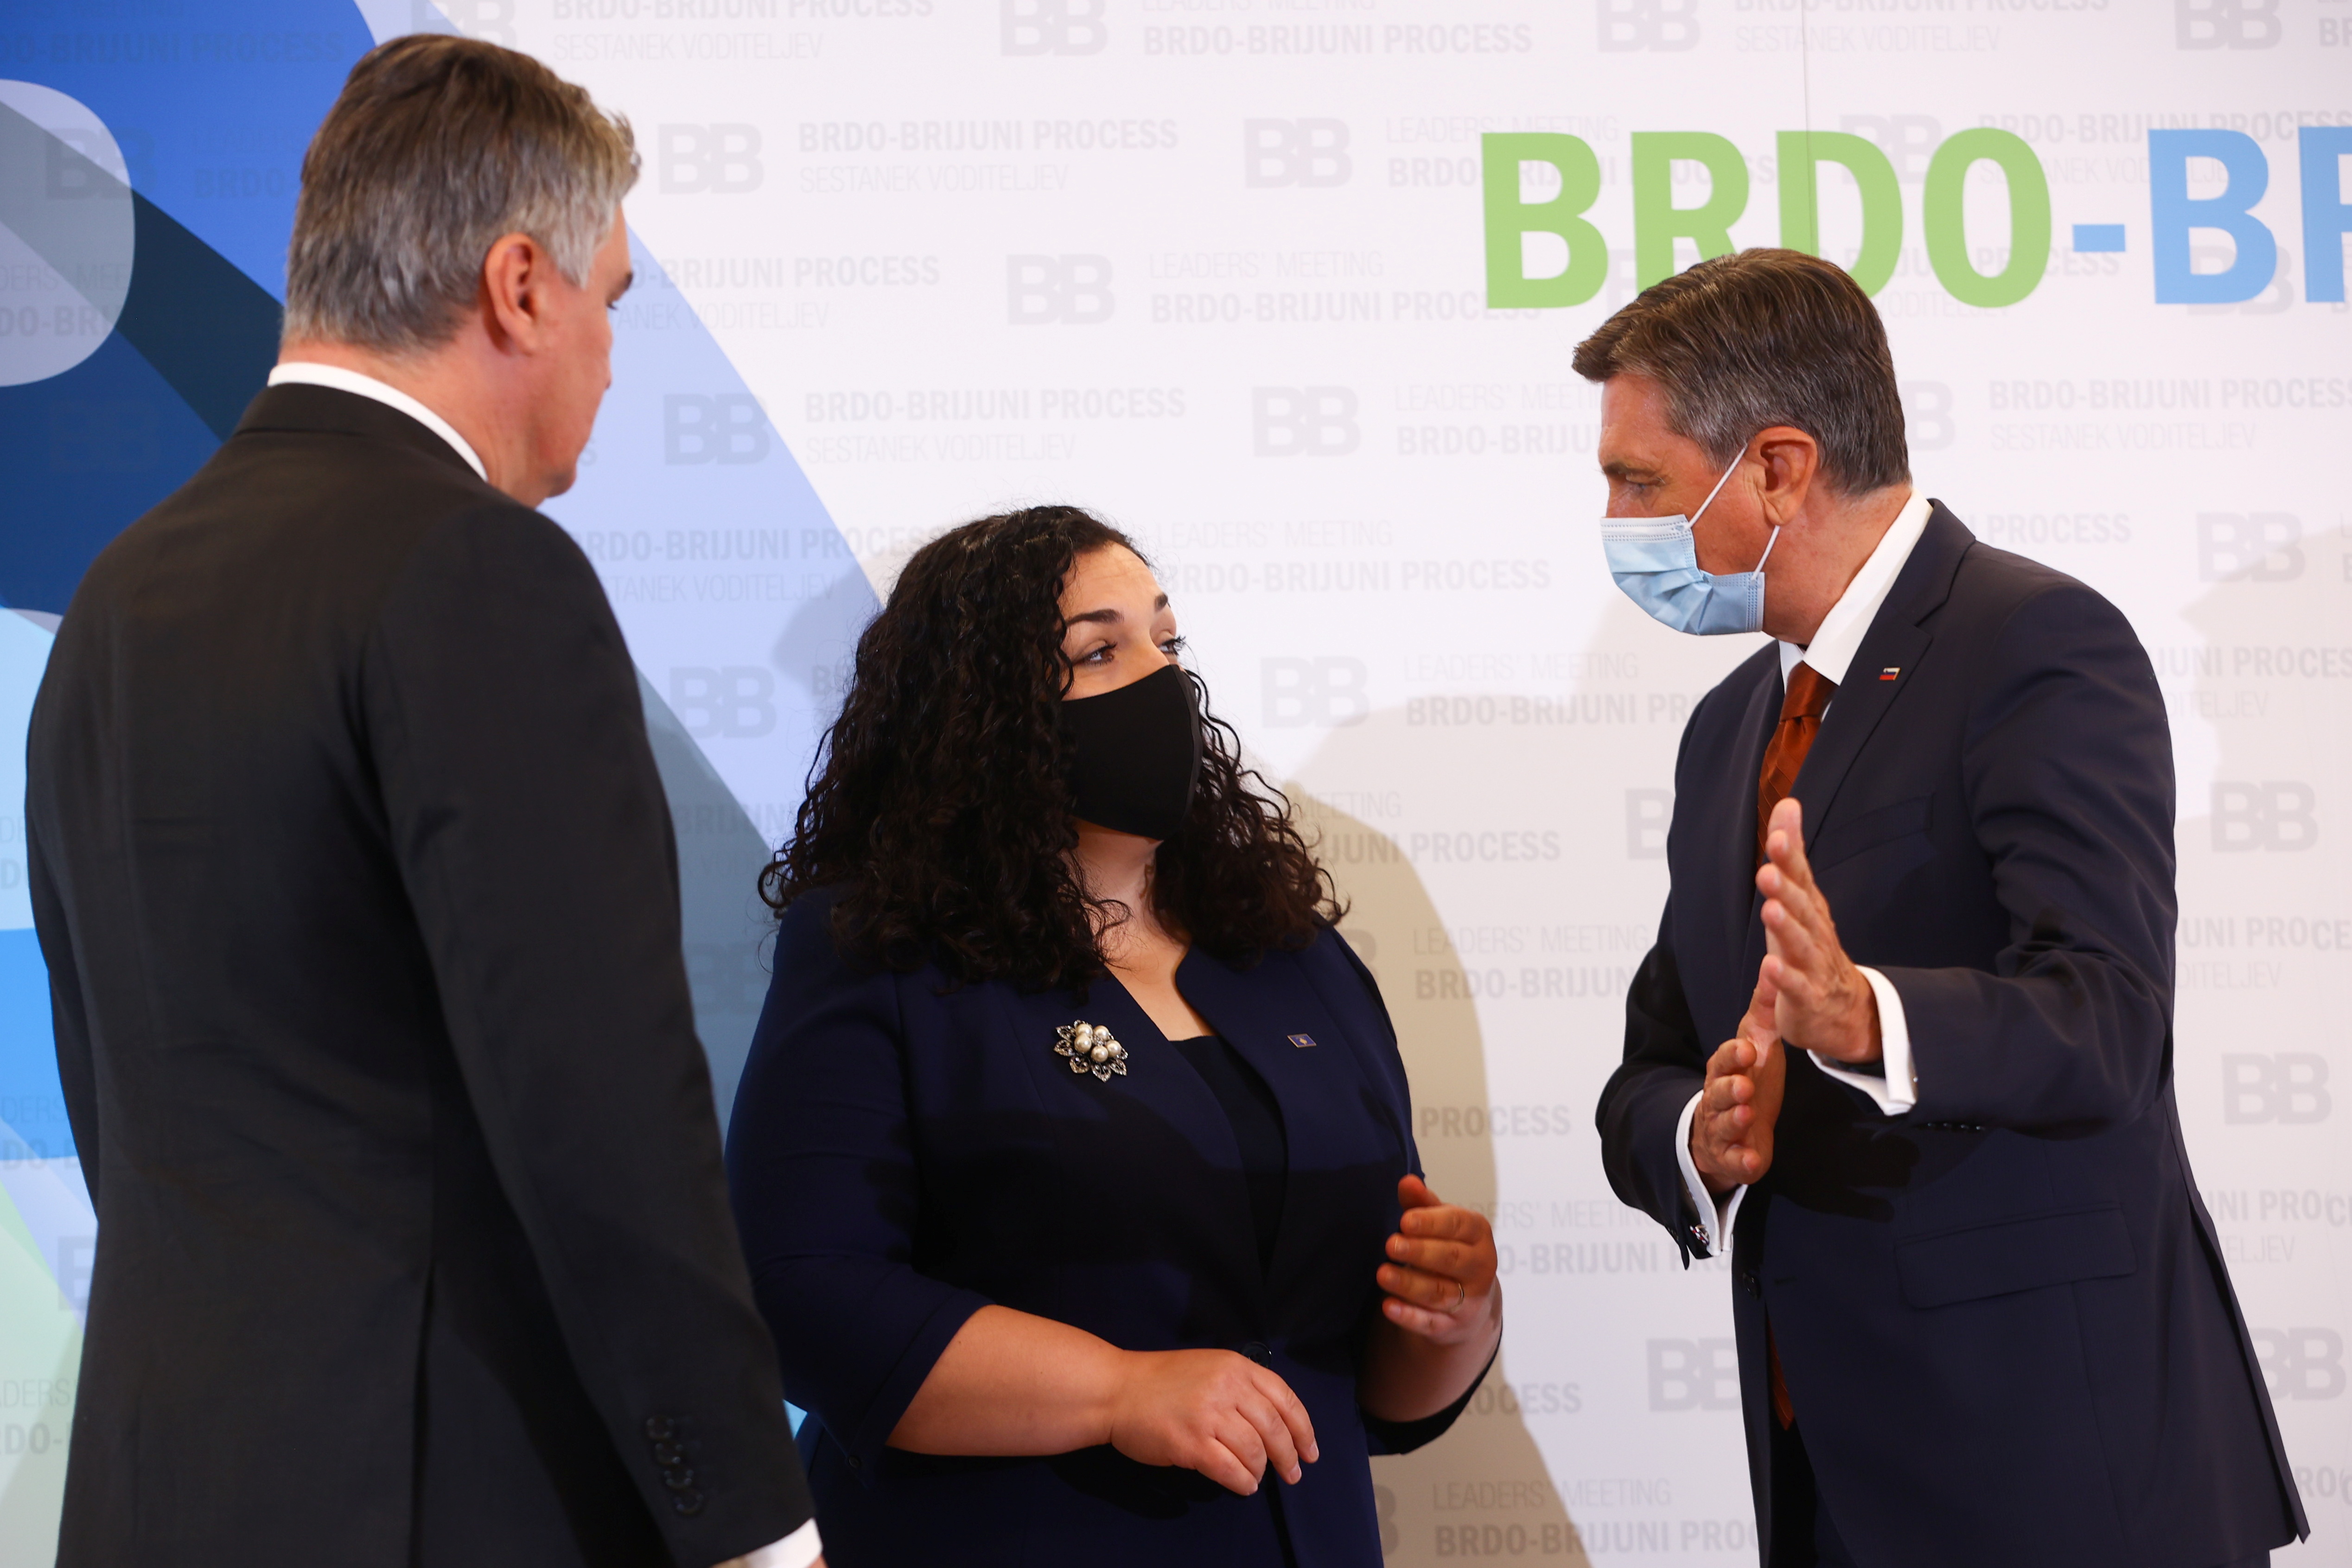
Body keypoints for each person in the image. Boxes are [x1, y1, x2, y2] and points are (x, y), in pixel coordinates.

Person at [25, 36, 818, 1568]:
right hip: (437, 1504)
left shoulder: (116, 596)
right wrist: (750, 1521)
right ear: (521, 286)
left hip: (157, 1495)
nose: (608, 357)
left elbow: (123, 1111)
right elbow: (600, 1107)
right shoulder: (477, 572)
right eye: (613, 299)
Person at [1585, 250, 2302, 1568]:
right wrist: (1700, 1127)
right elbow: (1654, 1057)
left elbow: (2110, 1021)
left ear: (1779, 468)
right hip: (1829, 1482)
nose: (1618, 518)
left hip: (2058, 1483)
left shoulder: (2035, 642)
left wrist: (1867, 1016)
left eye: (1640, 481)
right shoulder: (1724, 728)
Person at [725, 505, 1500, 1565]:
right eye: (1099, 650)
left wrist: (1453, 1319)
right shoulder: (881, 951)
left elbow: (1372, 1382)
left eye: (1166, 641)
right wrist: (1116, 1390)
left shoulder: (1290, 953)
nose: (1161, 679)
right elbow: (804, 1289)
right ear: (981, 711)